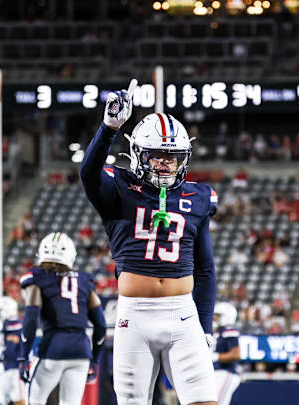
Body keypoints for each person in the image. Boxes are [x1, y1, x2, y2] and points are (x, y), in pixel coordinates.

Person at [80, 80, 218, 405]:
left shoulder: (197, 196)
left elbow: (206, 268)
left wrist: (206, 325)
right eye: (157, 156)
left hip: (183, 314)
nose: (166, 164)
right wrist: (108, 129)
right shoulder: (120, 188)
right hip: (134, 315)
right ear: (139, 155)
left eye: (173, 157)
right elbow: (88, 174)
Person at [18, 232, 107, 405]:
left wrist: (23, 356)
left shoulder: (36, 277)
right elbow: (101, 326)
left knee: (35, 401)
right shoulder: (84, 280)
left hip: (53, 347)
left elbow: (31, 319)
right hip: (81, 351)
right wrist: (95, 359)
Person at [0, 296, 25, 405]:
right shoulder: (7, 324)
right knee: (4, 397)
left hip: (17, 366)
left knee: (19, 397)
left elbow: (12, 346)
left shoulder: (15, 323)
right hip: (9, 366)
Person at [212, 302, 241, 405]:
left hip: (226, 372)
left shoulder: (228, 330)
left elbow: (236, 354)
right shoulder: (217, 331)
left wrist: (216, 357)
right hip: (215, 372)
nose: (214, 318)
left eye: (217, 315)